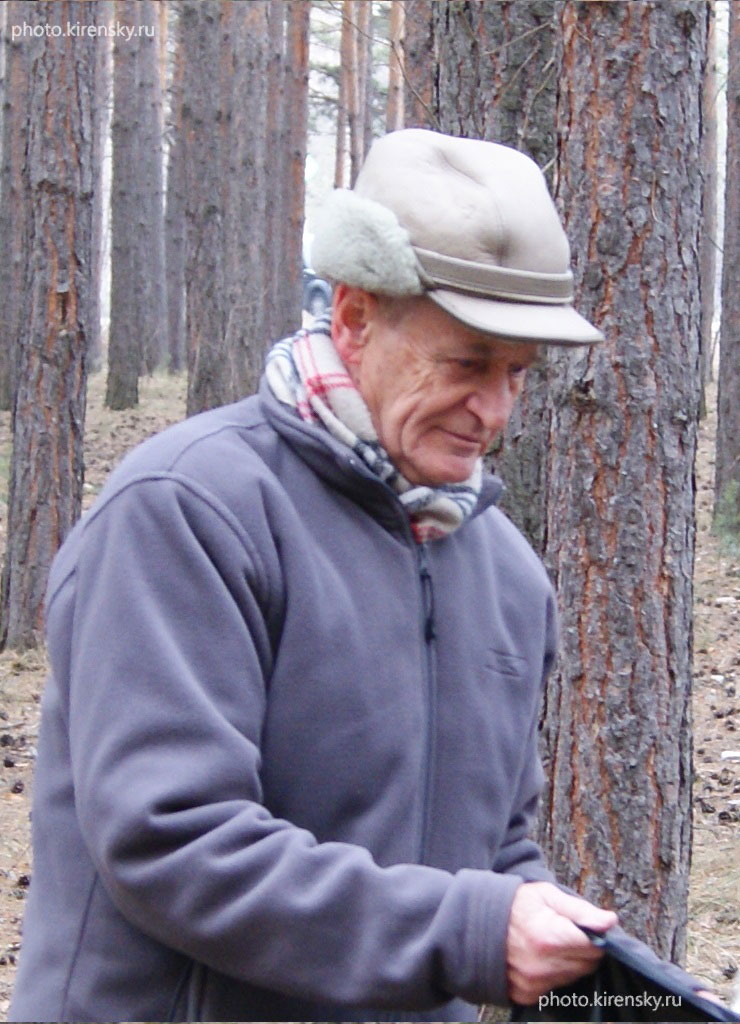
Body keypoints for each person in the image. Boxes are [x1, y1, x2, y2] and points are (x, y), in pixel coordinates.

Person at [7, 129, 696, 1022]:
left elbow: (493, 854)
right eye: (466, 364)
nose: (494, 411)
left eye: (518, 375)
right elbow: (173, 841)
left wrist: (601, 970)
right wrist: (471, 932)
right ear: (354, 318)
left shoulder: (506, 575)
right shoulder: (188, 512)